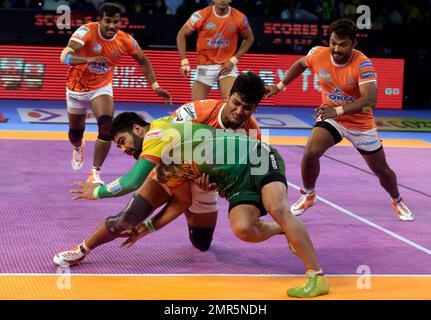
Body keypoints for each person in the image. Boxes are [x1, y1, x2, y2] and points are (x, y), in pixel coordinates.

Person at [55, 110, 329, 298]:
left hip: (255, 158)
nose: (125, 149)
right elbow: (182, 202)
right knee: (244, 229)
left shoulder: (157, 133)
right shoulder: (167, 165)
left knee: (277, 207)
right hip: (234, 184)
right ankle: (283, 229)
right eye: (120, 147)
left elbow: (131, 181)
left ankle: (316, 276)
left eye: (123, 141)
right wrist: (147, 228)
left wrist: (98, 192)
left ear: (138, 129)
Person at [55, 72, 281, 260]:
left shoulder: (253, 134)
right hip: (169, 170)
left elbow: (237, 175)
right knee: (128, 218)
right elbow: (164, 147)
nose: (240, 111)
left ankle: (190, 209)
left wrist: (215, 184)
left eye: (247, 108)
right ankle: (82, 249)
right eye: (236, 103)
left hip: (202, 181)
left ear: (255, 109)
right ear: (228, 96)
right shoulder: (195, 111)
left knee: (201, 244)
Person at [266, 18, 414, 221]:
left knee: (381, 170)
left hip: (360, 124)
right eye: (333, 42)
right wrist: (280, 86)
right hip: (332, 117)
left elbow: (370, 99)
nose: (336, 48)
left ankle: (397, 200)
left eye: (343, 44)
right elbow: (301, 64)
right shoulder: (319, 54)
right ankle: (309, 194)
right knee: (310, 152)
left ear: (354, 44)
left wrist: (337, 110)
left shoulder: (363, 64)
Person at [61, 2, 171, 185]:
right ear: (99, 20)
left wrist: (155, 85)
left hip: (101, 88)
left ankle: (95, 172)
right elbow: (65, 55)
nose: (112, 26)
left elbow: (143, 60)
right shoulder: (86, 31)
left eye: (116, 22)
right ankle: (78, 146)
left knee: (106, 127)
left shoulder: (125, 40)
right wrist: (90, 58)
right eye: (108, 21)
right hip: (75, 89)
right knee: (74, 134)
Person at [176, 0, 254, 100]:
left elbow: (250, 38)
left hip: (227, 66)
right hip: (205, 66)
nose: (222, 0)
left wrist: (233, 60)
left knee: (231, 103)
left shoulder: (240, 18)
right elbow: (181, 34)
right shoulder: (199, 15)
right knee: (195, 108)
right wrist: (184, 61)